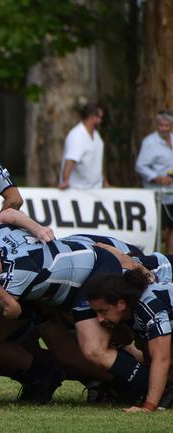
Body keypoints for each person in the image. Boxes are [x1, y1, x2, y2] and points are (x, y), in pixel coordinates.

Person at [83, 269, 173, 412]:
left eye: (103, 311)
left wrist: (148, 407)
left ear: (121, 304)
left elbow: (162, 358)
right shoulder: (131, 309)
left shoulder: (149, 305)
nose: (99, 319)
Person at [135, 110, 173, 253]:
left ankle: (170, 257)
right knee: (157, 228)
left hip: (171, 193)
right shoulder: (150, 142)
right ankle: (154, 255)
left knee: (172, 227)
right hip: (157, 194)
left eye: (166, 125)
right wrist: (157, 177)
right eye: (161, 125)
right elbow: (140, 166)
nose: (163, 128)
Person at [58, 103, 108, 190]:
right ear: (92, 117)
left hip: (96, 189)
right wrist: (65, 181)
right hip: (79, 190)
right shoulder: (77, 136)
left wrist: (104, 181)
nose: (101, 121)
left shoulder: (96, 136)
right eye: (99, 117)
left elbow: (96, 161)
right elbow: (70, 160)